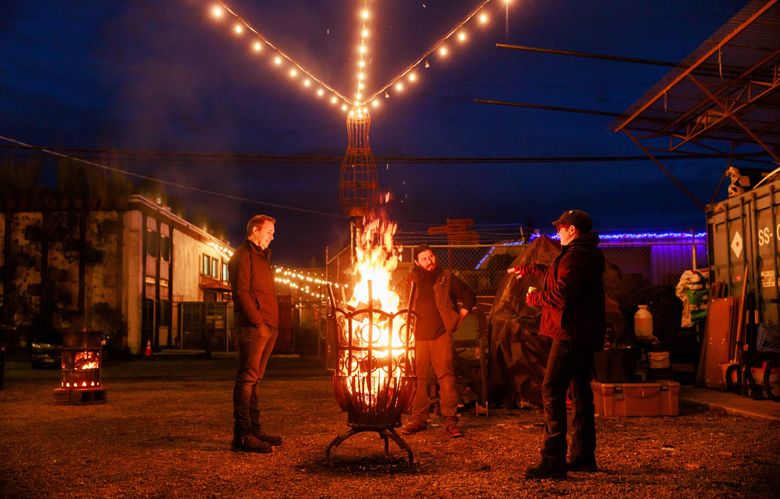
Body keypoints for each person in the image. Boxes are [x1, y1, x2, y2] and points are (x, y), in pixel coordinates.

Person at [522, 209, 605, 479]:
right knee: (581, 393)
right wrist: (534, 270)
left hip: (569, 332)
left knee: (551, 388)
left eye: (561, 227)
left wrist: (535, 299)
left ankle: (553, 459)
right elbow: (562, 275)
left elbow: (562, 294)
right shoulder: (582, 255)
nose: (557, 231)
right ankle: (582, 457)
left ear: (572, 230)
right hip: (583, 333)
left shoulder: (576, 257)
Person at [402, 245, 476, 438]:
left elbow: (469, 296)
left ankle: (451, 422)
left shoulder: (446, 278)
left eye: (431, 256)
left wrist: (458, 319)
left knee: (446, 378)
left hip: (441, 335)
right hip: (417, 337)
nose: (430, 261)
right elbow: (402, 303)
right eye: (424, 258)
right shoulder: (411, 279)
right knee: (418, 379)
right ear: (417, 262)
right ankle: (419, 419)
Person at [228, 214, 282, 453]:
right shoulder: (243, 255)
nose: (273, 235)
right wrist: (259, 323)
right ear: (256, 230)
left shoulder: (262, 257)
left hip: (268, 326)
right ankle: (242, 436)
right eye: (269, 231)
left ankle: (254, 430)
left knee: (254, 380)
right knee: (247, 378)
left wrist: (271, 325)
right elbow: (241, 292)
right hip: (253, 327)